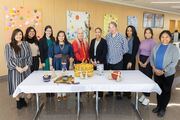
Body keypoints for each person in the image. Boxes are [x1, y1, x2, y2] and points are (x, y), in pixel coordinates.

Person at [150, 30, 179, 117]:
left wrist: (163, 71)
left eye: (167, 37)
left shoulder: (174, 48)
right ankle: (158, 106)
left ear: (170, 38)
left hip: (168, 74)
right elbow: (151, 58)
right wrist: (154, 68)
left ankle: (163, 108)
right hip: (156, 72)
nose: (164, 39)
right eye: (162, 37)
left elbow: (174, 62)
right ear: (160, 38)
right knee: (159, 90)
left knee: (166, 91)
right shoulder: (156, 46)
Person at [5, 28, 32, 109]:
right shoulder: (9, 45)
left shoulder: (26, 43)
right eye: (16, 34)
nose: (18, 36)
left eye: (20, 34)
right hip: (15, 69)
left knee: (24, 83)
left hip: (25, 67)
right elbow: (8, 59)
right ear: (13, 35)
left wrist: (27, 65)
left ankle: (23, 99)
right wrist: (17, 67)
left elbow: (29, 55)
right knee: (16, 84)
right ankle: (18, 100)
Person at [105, 21, 128, 100]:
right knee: (110, 77)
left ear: (116, 27)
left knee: (117, 77)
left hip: (118, 60)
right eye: (110, 27)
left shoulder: (122, 37)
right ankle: (110, 92)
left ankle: (118, 93)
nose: (111, 29)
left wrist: (119, 54)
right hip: (109, 60)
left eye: (112, 27)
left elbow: (126, 49)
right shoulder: (107, 36)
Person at [49, 31, 74, 101]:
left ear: (65, 37)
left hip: (65, 63)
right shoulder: (53, 44)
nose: (61, 37)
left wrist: (71, 65)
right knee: (57, 77)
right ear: (57, 37)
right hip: (56, 63)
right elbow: (50, 56)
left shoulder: (69, 45)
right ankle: (58, 93)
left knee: (65, 77)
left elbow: (72, 56)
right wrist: (51, 65)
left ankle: (64, 93)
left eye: (63, 36)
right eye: (59, 36)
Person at [138, 27, 156, 105]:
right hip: (140, 60)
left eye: (149, 32)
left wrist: (146, 63)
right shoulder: (142, 41)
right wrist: (138, 60)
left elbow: (152, 54)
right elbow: (138, 52)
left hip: (148, 61)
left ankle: (147, 97)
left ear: (151, 34)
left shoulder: (153, 42)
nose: (147, 34)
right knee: (142, 79)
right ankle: (143, 95)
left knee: (147, 78)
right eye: (146, 32)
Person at [89, 27, 108, 99]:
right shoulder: (93, 41)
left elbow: (104, 53)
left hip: (101, 62)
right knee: (94, 78)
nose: (97, 33)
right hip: (93, 61)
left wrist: (98, 61)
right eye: (96, 32)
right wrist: (91, 60)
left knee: (100, 79)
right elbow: (90, 51)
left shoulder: (104, 41)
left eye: (99, 32)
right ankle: (95, 92)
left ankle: (100, 94)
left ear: (101, 33)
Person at [123, 25, 140, 99]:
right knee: (124, 75)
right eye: (127, 30)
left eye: (130, 30)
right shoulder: (125, 38)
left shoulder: (135, 39)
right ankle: (124, 91)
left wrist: (130, 61)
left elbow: (135, 51)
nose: (129, 32)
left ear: (133, 31)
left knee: (129, 76)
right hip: (124, 58)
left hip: (131, 58)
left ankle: (128, 93)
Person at [39, 25, 55, 97]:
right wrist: (42, 62)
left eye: (50, 31)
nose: (49, 32)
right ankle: (48, 92)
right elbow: (41, 52)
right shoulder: (41, 40)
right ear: (45, 31)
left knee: (52, 74)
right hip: (46, 60)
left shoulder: (53, 39)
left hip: (52, 59)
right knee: (46, 75)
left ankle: (53, 90)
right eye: (47, 30)